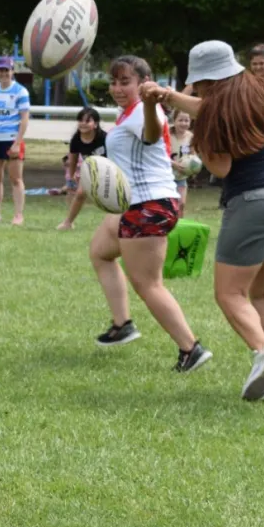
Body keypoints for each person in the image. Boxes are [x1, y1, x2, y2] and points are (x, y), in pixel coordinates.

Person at [144, 40, 264, 401]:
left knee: (229, 293)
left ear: (207, 81)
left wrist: (197, 149)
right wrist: (169, 95)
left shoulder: (216, 114)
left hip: (255, 200)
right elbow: (206, 104)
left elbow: (221, 166)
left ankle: (263, 352)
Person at [88, 54, 212, 373]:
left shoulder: (146, 110)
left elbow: (153, 134)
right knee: (100, 251)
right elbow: (149, 150)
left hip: (149, 207)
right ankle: (122, 324)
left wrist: (148, 104)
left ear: (143, 83)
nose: (117, 87)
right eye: (114, 82)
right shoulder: (128, 113)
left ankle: (191, 349)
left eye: (125, 81)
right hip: (139, 203)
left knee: (148, 284)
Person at [0, 56, 30, 225]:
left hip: (11, 139)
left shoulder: (20, 91)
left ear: (12, 71)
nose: (3, 73)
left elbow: (24, 119)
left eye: (6, 70)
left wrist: (17, 142)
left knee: (16, 178)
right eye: (0, 70)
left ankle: (18, 215)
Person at [57, 107, 106, 230]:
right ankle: (68, 223)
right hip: (92, 171)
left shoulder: (104, 138)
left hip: (109, 171)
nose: (83, 123)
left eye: (87, 121)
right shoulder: (76, 139)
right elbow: (72, 159)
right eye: (80, 120)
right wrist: (71, 177)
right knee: (80, 194)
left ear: (95, 124)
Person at [169, 109, 194, 215]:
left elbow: (193, 155)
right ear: (174, 121)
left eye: (186, 120)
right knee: (169, 206)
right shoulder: (167, 134)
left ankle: (179, 227)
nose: (184, 123)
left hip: (181, 177)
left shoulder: (191, 136)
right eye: (180, 120)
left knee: (181, 204)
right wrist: (173, 164)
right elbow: (159, 155)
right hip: (166, 177)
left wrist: (192, 166)